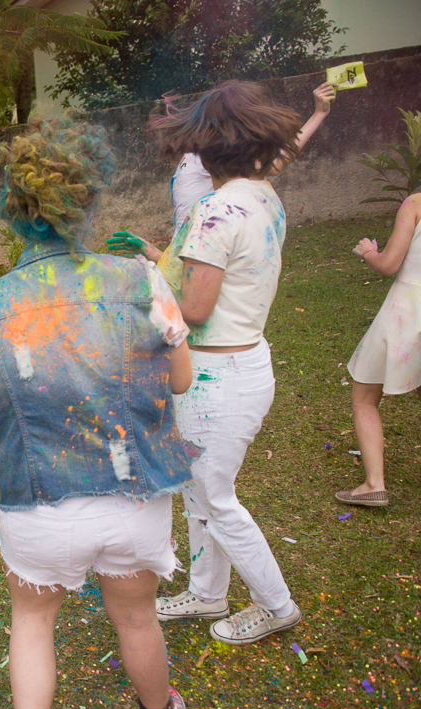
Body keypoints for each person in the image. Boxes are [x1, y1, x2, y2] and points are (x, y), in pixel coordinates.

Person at [0, 118, 197, 709]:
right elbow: (180, 380)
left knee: (33, 622)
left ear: (11, 207)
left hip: (38, 505)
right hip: (136, 497)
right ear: (87, 201)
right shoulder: (141, 278)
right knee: (136, 615)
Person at [148, 80, 305, 645]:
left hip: (215, 380)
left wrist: (145, 289)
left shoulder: (216, 211)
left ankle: (276, 606)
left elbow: (192, 307)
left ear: (207, 146)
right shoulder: (264, 195)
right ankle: (208, 593)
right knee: (198, 490)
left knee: (216, 497)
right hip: (244, 364)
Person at [108, 81, 337, 261]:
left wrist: (318, 114)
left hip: (203, 251)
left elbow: (275, 164)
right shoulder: (197, 153)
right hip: (187, 251)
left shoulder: (214, 154)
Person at [337, 192, 421, 506]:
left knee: (364, 397)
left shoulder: (415, 204)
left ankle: (374, 483)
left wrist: (369, 252)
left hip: (408, 312)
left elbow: (388, 265)